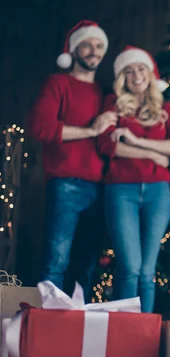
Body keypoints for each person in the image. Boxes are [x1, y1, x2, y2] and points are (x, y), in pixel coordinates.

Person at [29, 20, 117, 301]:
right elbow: (41, 127)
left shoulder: (106, 93)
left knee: (87, 265)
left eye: (99, 46)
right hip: (66, 183)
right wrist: (90, 130)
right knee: (56, 261)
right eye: (88, 45)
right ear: (74, 50)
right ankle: (46, 330)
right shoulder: (58, 83)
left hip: (101, 187)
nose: (94, 51)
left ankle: (78, 333)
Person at [97, 46, 170, 313]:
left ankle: (144, 340)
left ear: (149, 74)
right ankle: (122, 337)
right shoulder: (113, 104)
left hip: (157, 193)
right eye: (129, 70)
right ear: (122, 77)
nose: (136, 75)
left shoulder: (164, 108)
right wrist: (153, 154)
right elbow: (108, 146)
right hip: (121, 190)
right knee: (130, 268)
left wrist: (135, 140)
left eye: (140, 69)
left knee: (147, 271)